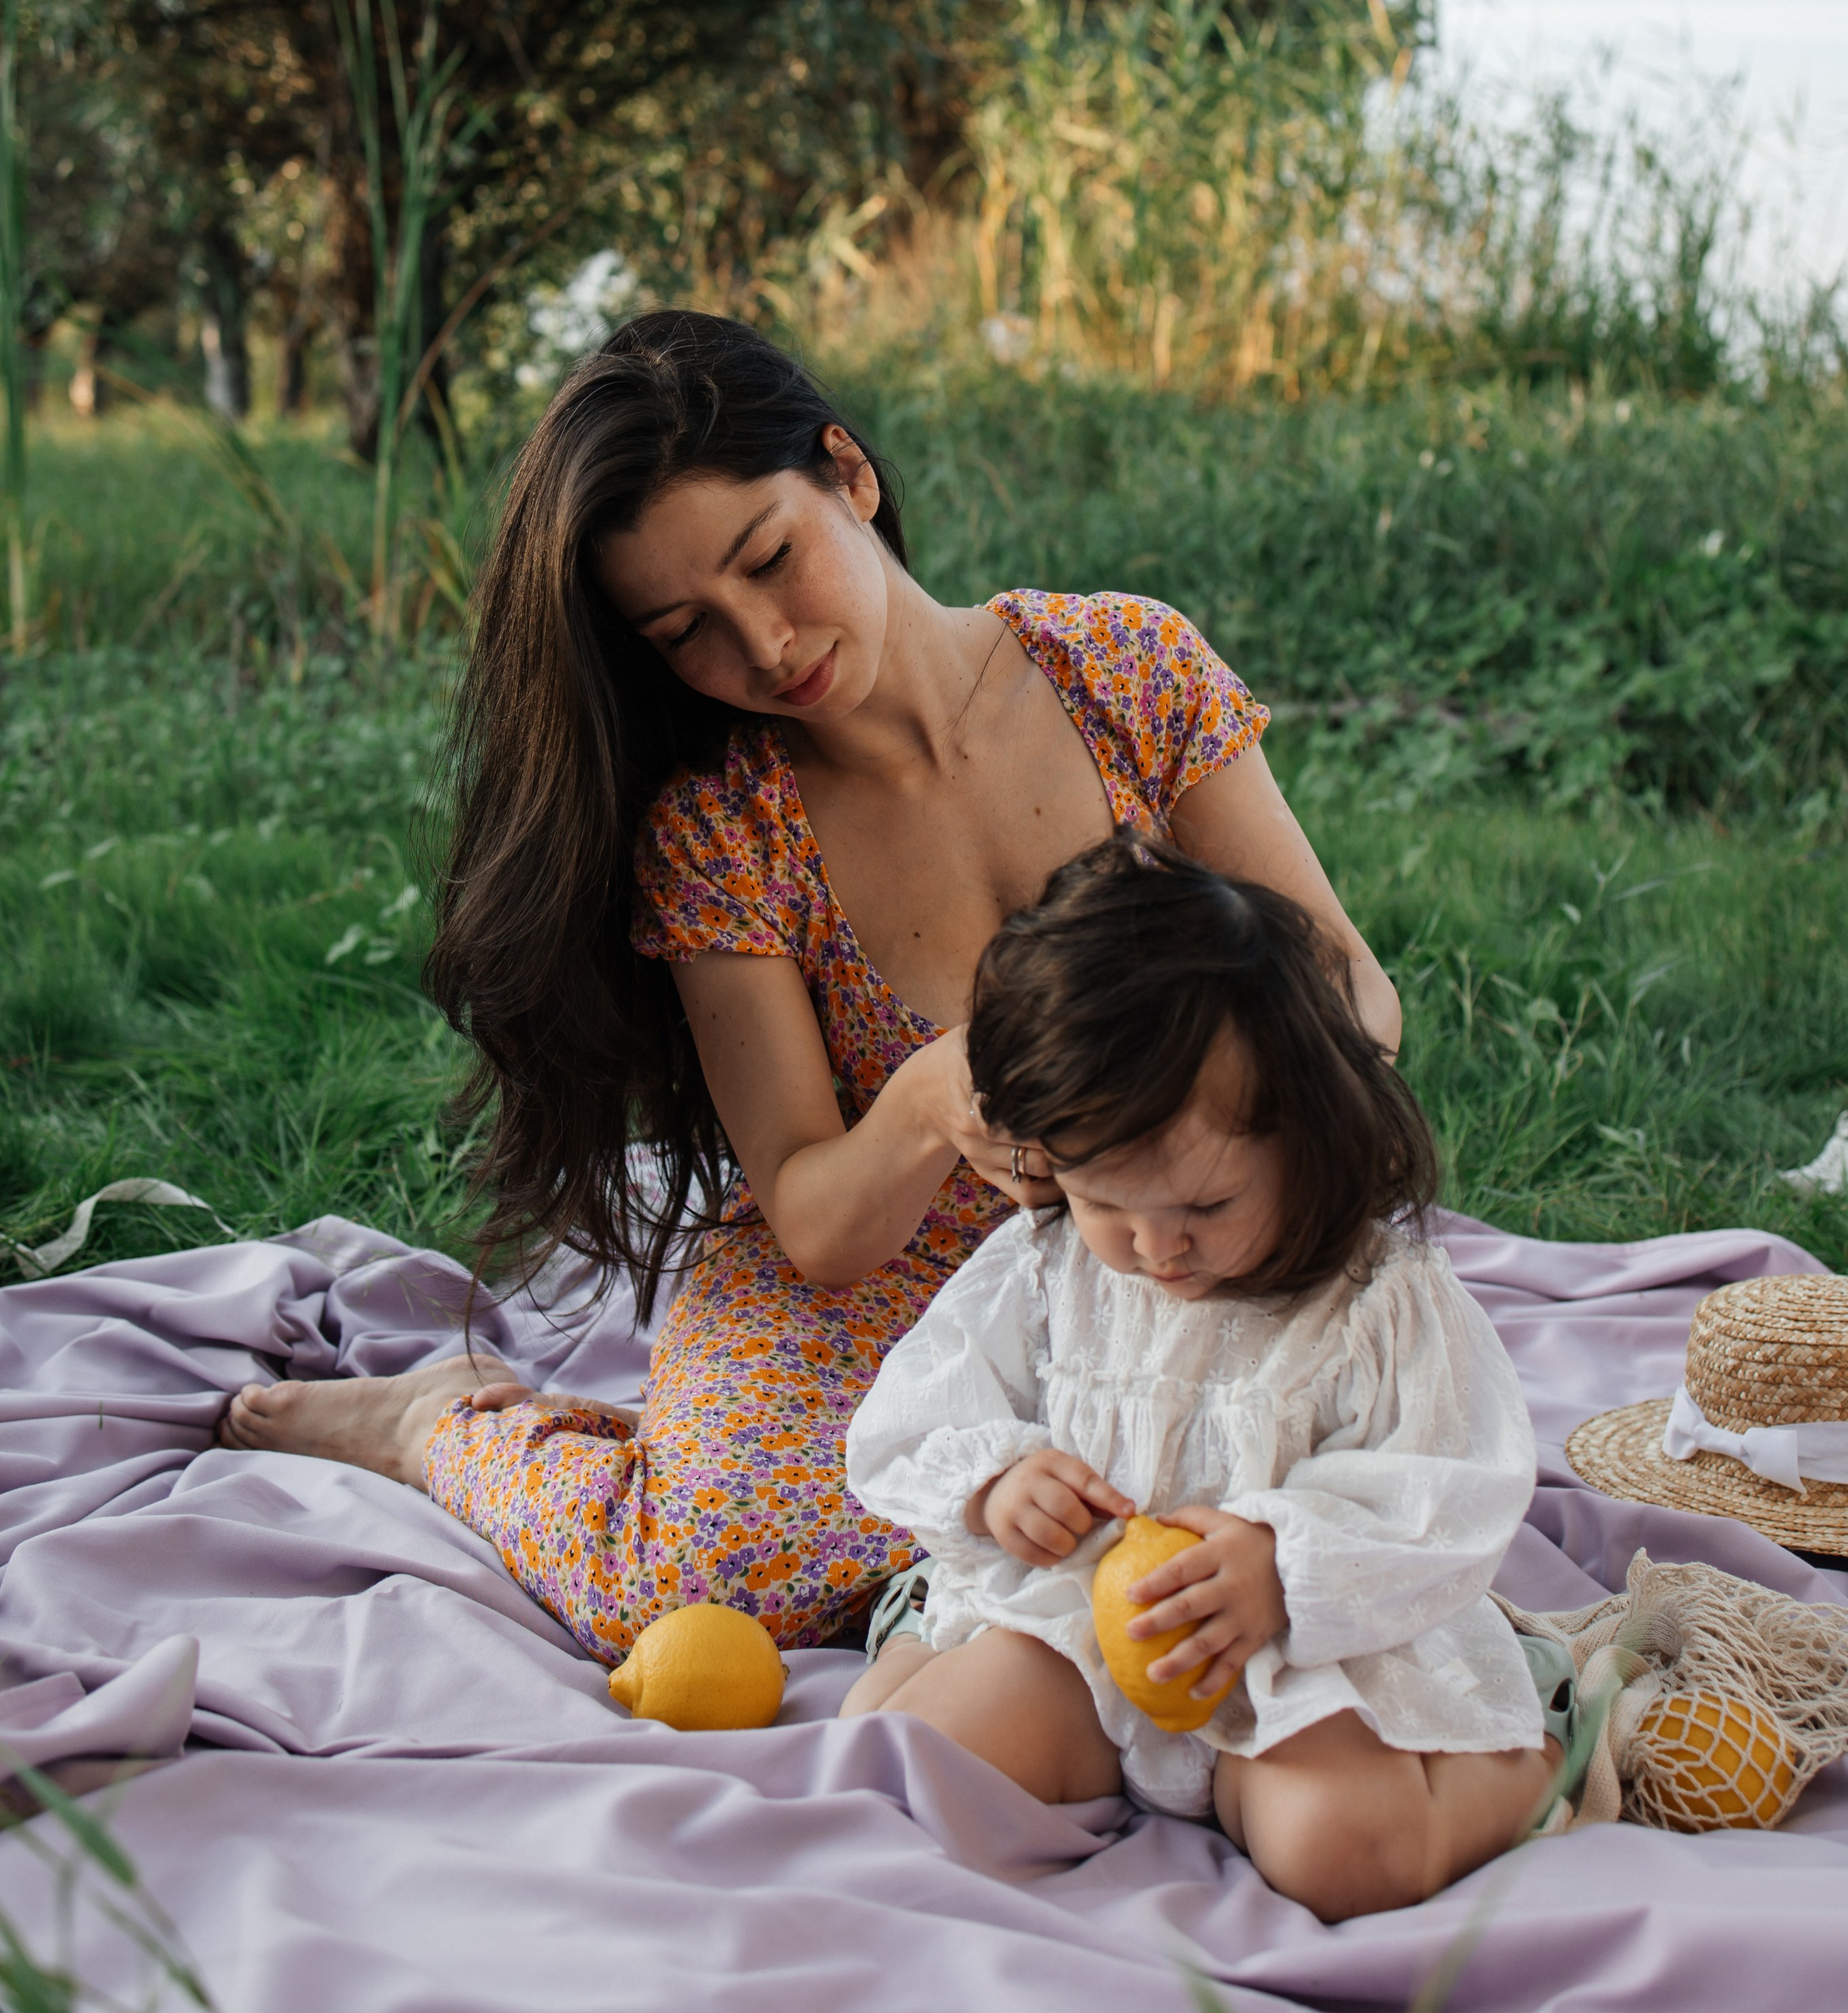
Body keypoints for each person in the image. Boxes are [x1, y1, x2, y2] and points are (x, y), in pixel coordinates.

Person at [217, 312, 1402, 1664]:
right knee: (702, 1577)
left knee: (1310, 1479)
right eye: (688, 631)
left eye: (771, 558)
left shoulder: (1125, 669)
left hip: (1170, 1228)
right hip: (881, 1285)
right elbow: (816, 1215)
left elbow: (1355, 991)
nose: (769, 645)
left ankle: (715, 1443)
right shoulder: (725, 826)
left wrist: (1216, 1113)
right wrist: (930, 1099)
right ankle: (442, 1425)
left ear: (849, 473)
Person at [842, 837, 1564, 1923]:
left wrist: (1282, 1560)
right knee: (913, 1764)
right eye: (1106, 1202)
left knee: (1348, 1854)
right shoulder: (1047, 1269)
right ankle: (958, 1682)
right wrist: (997, 1483)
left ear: (1309, 1133)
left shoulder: (1378, 1302)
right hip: (1080, 1624)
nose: (1156, 1248)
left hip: (1301, 1652)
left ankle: (1538, 1756)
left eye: (1207, 1206)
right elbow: (912, 1412)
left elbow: (1455, 1482)